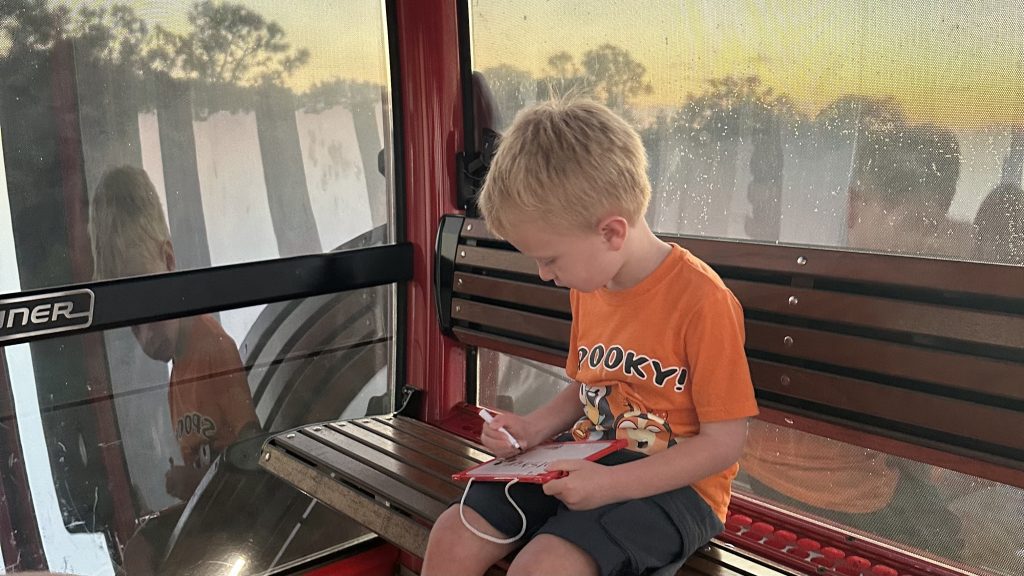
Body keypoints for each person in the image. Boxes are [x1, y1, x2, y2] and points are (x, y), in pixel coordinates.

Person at [421, 100, 759, 576]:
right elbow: (590, 386)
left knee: (543, 567)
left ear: (612, 232)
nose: (544, 274)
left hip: (677, 487)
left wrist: (610, 486)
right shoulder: (591, 285)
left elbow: (723, 444)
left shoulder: (702, 302)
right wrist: (533, 427)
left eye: (550, 259)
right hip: (588, 456)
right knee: (453, 534)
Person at [89, 166, 261, 573]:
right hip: (209, 505)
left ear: (169, 262)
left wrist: (193, 484)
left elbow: (253, 454)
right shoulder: (178, 367)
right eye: (132, 325)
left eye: (148, 310)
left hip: (238, 512)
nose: (146, 336)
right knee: (137, 549)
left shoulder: (213, 350)